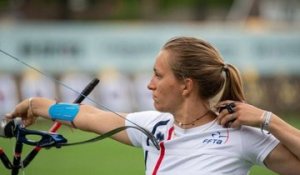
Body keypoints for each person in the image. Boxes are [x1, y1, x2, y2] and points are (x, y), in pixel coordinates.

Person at [7, 36, 300, 175]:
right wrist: (37, 104)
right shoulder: (152, 126)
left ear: (187, 85)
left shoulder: (239, 135)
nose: (150, 84)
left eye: (158, 75)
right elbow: (89, 115)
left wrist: (266, 119)